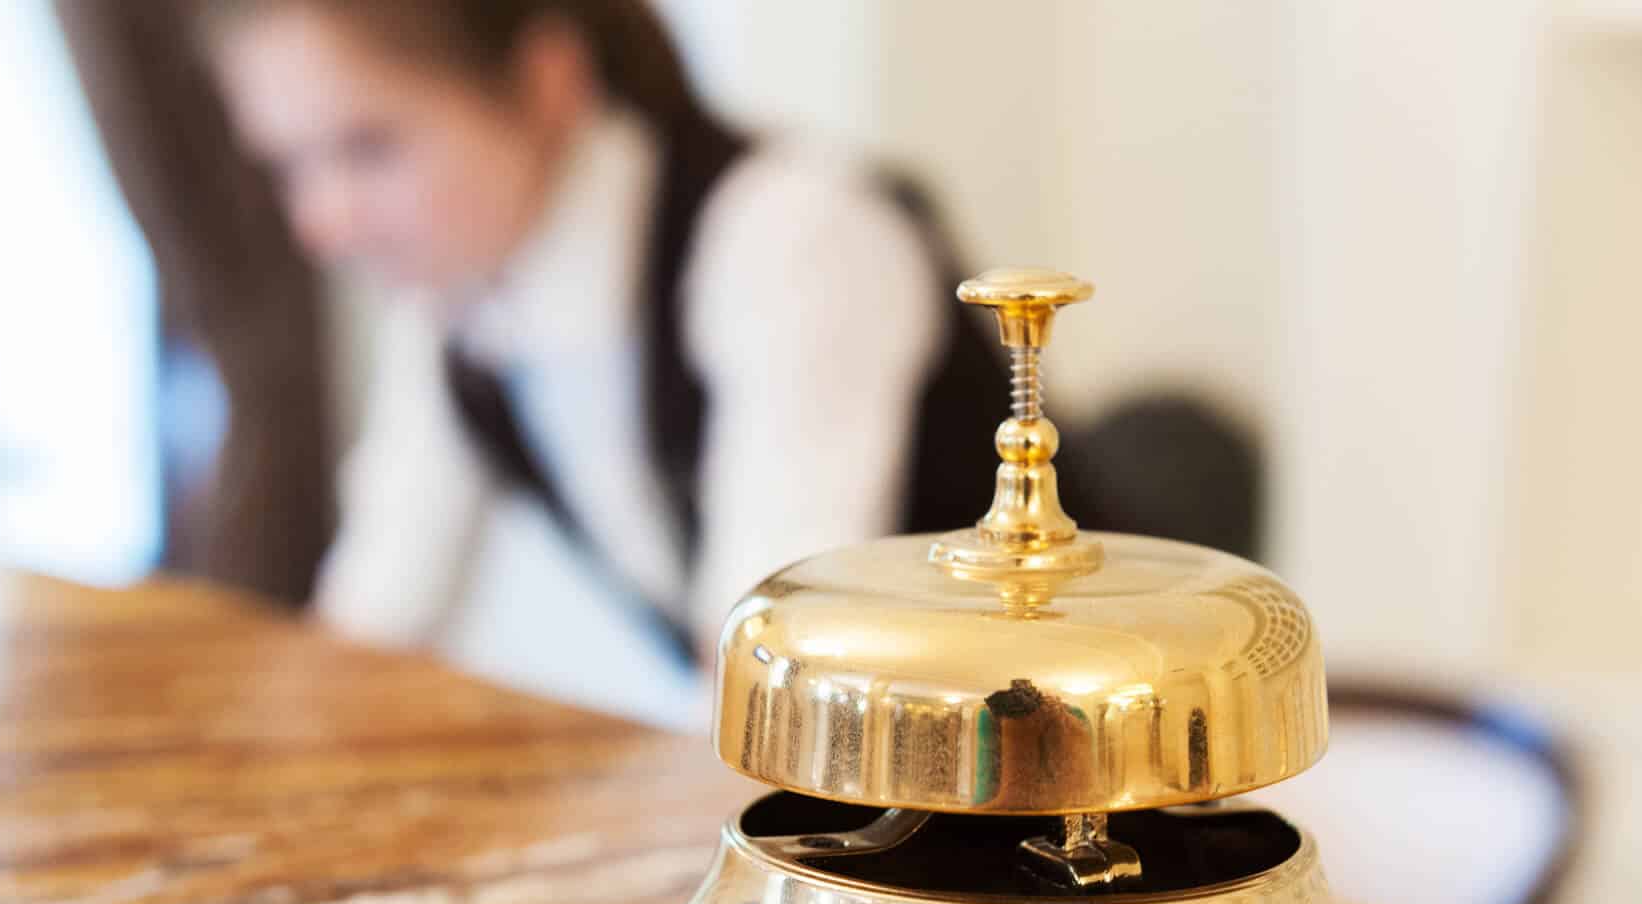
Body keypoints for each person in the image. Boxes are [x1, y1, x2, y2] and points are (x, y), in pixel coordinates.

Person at [79, 0, 1258, 726]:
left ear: (546, 79)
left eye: (368, 147)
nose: (321, 224)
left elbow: (768, 683)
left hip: (1069, 778)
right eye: (289, 166)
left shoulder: (788, 235)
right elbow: (368, 640)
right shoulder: (457, 307)